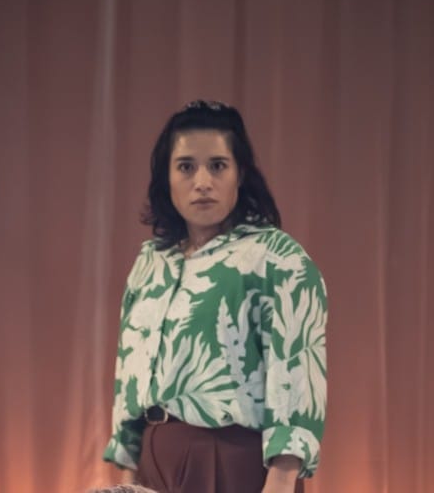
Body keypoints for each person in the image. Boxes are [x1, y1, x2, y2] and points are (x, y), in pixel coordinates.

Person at [102, 100, 327, 493]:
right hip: (153, 461)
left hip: (231, 462)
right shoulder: (150, 263)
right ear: (167, 178)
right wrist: (128, 472)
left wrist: (281, 481)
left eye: (218, 165)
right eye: (186, 167)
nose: (202, 181)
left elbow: (297, 377)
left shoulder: (277, 258)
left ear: (241, 174)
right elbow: (130, 377)